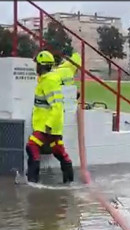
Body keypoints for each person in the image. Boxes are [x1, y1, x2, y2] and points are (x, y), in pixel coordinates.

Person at [26, 50, 74, 184]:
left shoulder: (49, 82)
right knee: (58, 151)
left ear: (41, 66)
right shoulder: (46, 80)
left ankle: (32, 182)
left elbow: (57, 106)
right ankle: (69, 183)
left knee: (32, 147)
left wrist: (49, 124)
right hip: (50, 126)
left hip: (47, 126)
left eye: (37, 64)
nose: (35, 67)